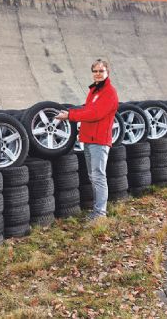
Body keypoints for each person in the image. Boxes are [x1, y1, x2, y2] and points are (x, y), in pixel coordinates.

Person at [55, 59, 119, 220]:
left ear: (107, 73)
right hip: (89, 139)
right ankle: (97, 211)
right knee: (93, 176)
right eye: (95, 71)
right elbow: (87, 109)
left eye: (101, 71)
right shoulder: (94, 91)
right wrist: (70, 111)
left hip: (99, 141)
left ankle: (100, 214)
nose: (97, 74)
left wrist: (70, 116)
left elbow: (94, 114)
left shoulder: (109, 93)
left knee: (98, 176)